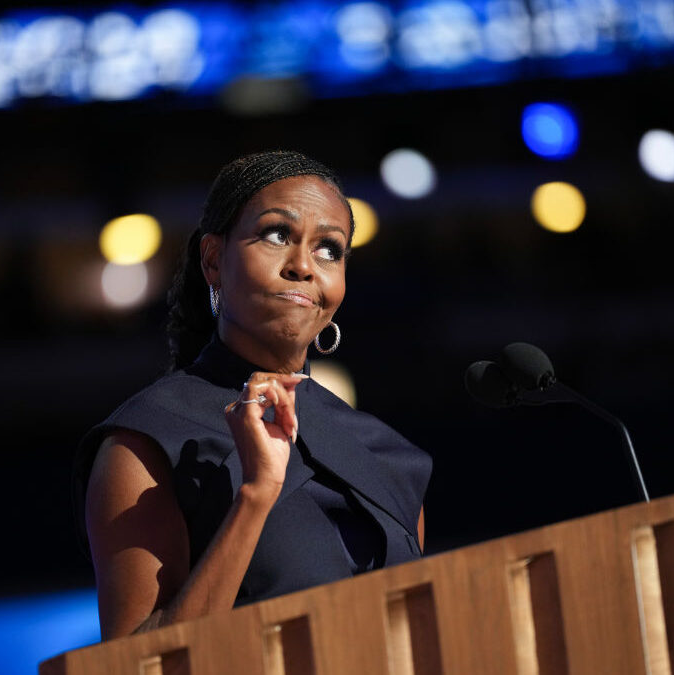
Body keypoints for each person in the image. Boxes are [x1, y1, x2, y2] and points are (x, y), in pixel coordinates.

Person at [74, 151, 432, 640]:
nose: (304, 265)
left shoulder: (386, 455)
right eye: (277, 235)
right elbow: (135, 665)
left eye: (330, 249)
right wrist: (254, 498)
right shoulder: (147, 441)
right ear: (214, 260)